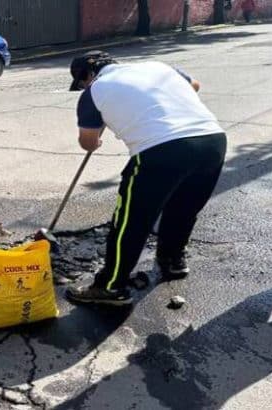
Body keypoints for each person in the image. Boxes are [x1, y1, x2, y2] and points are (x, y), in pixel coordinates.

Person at [64, 51, 227, 306]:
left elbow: (88, 142)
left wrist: (100, 129)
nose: (84, 87)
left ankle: (110, 287)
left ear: (88, 75)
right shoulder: (157, 66)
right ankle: (172, 262)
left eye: (82, 82)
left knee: (131, 221)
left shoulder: (94, 91)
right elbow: (194, 85)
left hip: (161, 151)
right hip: (213, 141)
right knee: (184, 208)